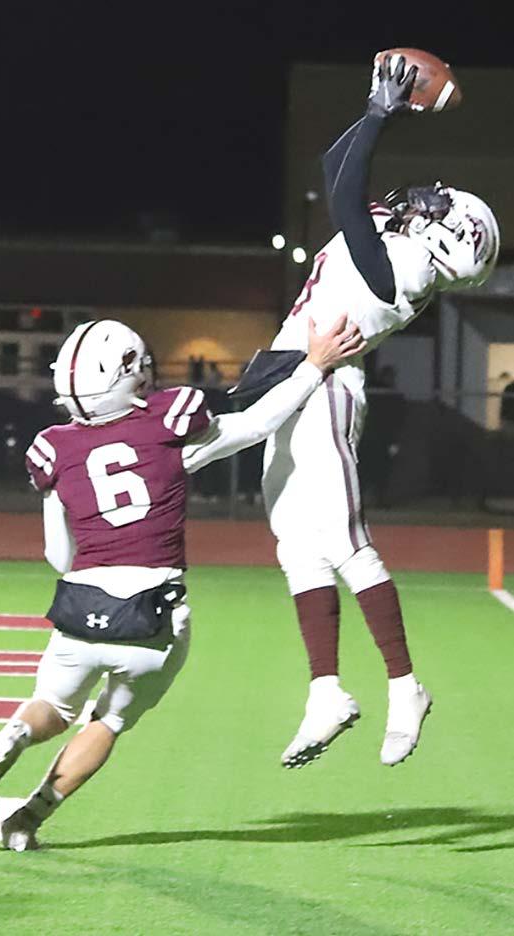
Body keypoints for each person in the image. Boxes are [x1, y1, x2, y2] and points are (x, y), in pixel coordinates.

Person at [0, 314, 364, 850]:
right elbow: (257, 423)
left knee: (51, 707)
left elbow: (59, 555)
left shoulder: (55, 447)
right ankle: (26, 819)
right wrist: (314, 365)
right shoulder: (166, 430)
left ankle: (15, 735)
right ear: (129, 376)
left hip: (82, 608)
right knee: (109, 722)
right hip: (153, 614)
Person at [255, 54, 500, 769]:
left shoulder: (410, 268)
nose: (425, 202)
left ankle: (403, 685)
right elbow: (335, 170)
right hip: (292, 375)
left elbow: (341, 201)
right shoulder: (399, 240)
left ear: (450, 241)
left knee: (343, 538)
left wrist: (380, 118)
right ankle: (325, 692)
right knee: (294, 542)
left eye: (439, 209)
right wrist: (372, 106)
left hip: (328, 388)